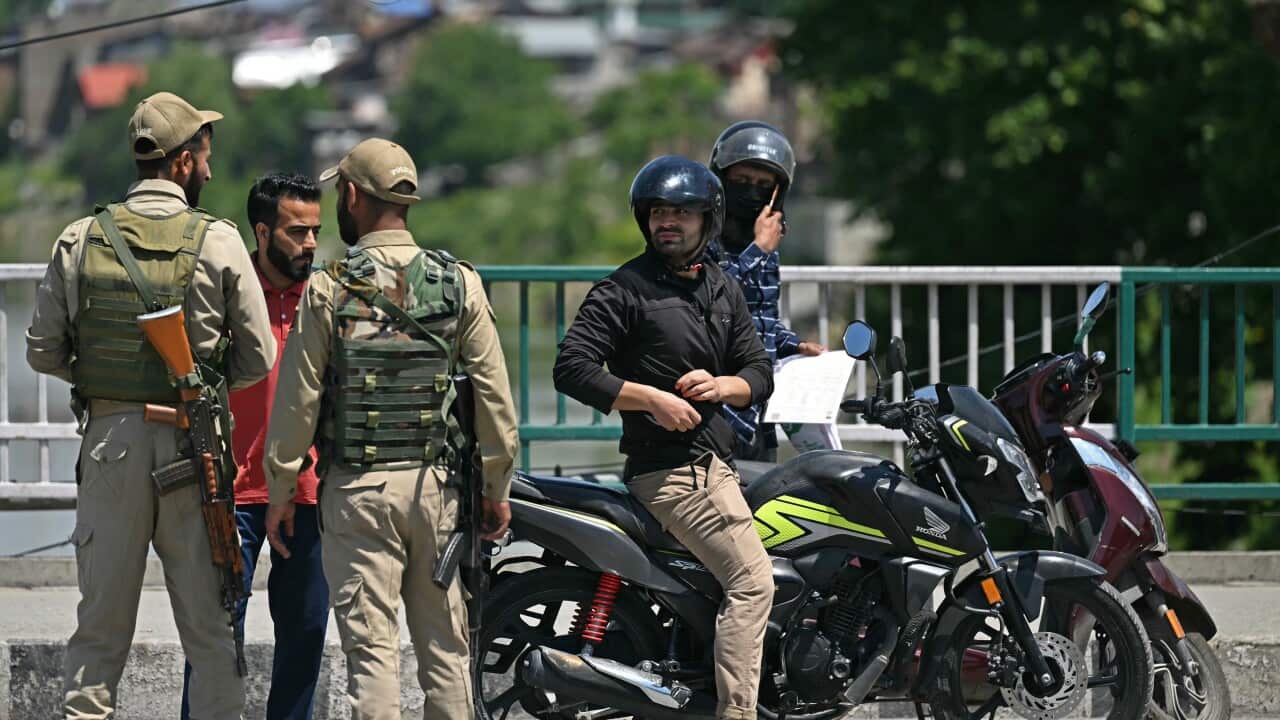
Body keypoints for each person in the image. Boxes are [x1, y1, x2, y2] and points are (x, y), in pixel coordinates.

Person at [25, 91, 275, 720]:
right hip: (195, 452)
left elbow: (42, 352)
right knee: (210, 635)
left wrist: (107, 387)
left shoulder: (80, 238)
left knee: (99, 631)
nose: (211, 170)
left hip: (109, 445)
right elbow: (261, 358)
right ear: (184, 161)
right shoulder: (218, 240)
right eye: (205, 155)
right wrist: (206, 382)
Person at [261, 138, 519, 719]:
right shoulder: (460, 282)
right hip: (438, 491)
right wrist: (498, 488)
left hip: (357, 494)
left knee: (373, 657)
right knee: (447, 654)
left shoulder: (329, 288)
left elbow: (298, 404)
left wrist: (281, 492)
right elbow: (496, 403)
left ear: (351, 195)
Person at [553, 155, 775, 720]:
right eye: (657, 212)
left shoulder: (723, 288)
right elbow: (572, 367)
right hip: (672, 475)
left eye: (680, 211)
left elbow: (759, 373)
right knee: (753, 584)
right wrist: (650, 398)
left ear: (708, 219)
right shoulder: (625, 290)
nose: (666, 222)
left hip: (720, 464)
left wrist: (724, 385)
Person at [179, 173, 328, 720]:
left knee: (307, 631)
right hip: (231, 491)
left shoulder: (326, 296)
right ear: (262, 233)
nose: (310, 243)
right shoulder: (220, 289)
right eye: (296, 232)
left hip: (308, 489)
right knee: (217, 636)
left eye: (316, 231)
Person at [705, 121, 825, 462]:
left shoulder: (766, 245)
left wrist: (793, 344)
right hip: (714, 407)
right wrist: (758, 249)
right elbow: (712, 302)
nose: (750, 192)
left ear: (777, 193)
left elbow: (757, 317)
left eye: (762, 185)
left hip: (758, 406)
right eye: (741, 182)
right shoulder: (701, 239)